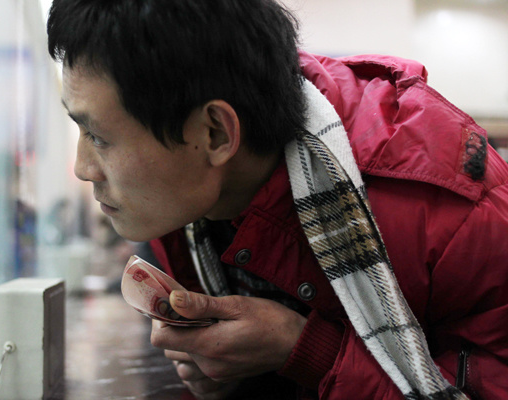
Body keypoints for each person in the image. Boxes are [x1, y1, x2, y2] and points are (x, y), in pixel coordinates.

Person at [46, 0, 508, 398]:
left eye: (99, 136)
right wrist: (228, 371)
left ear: (215, 134)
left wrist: (306, 352)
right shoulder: (185, 201)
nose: (83, 168)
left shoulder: (448, 208)